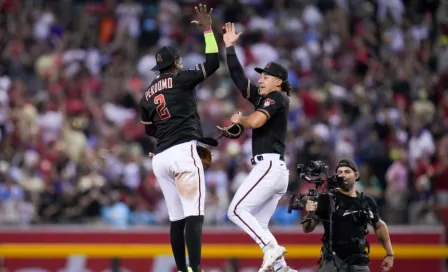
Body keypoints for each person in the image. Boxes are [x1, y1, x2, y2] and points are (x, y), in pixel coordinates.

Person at [139, 4, 219, 272]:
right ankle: (195, 269)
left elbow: (149, 129)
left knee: (177, 219)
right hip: (184, 151)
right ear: (175, 63)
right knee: (194, 214)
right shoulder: (181, 78)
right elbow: (213, 63)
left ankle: (182, 269)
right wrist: (208, 29)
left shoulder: (147, 94)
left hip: (160, 157)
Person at [221, 22, 297, 272]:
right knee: (260, 224)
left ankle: (271, 249)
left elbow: (256, 120)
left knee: (235, 210)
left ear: (279, 81)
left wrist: (240, 120)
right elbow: (238, 78)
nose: (260, 79)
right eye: (261, 75)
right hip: (274, 169)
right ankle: (282, 268)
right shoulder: (267, 97)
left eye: (265, 76)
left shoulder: (278, 96)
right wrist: (230, 48)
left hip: (269, 165)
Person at [303, 159, 395, 272]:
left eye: (347, 171)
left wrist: (390, 254)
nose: (343, 175)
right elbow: (307, 228)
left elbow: (379, 226)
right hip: (333, 262)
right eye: (340, 172)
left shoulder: (366, 202)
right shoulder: (326, 199)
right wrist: (310, 213)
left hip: (359, 262)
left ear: (356, 175)